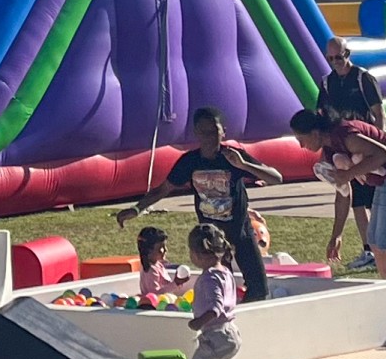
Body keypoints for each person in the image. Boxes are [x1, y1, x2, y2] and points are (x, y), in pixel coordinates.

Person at [115, 108, 280, 301]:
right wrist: (136, 209)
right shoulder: (190, 162)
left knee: (258, 287)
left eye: (214, 131)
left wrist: (244, 165)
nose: (209, 137)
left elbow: (276, 178)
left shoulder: (233, 157)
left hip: (240, 232)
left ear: (223, 131)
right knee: (218, 286)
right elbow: (164, 189)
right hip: (211, 237)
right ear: (196, 133)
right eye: (203, 132)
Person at [291, 105, 386, 281]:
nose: (301, 146)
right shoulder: (330, 148)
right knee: (374, 241)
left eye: (302, 139)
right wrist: (336, 235)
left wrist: (348, 173)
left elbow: (382, 153)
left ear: (315, 133)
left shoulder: (346, 135)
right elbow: (343, 193)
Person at [318, 38, 386, 271]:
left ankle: (381, 248)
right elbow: (322, 114)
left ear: (348, 53)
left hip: (364, 145)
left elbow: (379, 113)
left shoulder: (363, 78)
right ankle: (370, 249)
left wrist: (379, 141)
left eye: (339, 56)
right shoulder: (327, 83)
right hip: (343, 146)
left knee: (374, 196)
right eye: (331, 58)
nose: (336, 62)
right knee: (357, 198)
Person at [176, 223, 244, 359]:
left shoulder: (209, 278)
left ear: (198, 254)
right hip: (231, 333)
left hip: (216, 334)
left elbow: (215, 308)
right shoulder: (225, 273)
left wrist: (198, 322)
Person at [136, 224, 190, 299]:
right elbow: (155, 295)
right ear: (148, 251)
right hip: (153, 306)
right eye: (161, 248)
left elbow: (165, 283)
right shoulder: (151, 271)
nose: (165, 250)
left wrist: (177, 281)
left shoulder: (157, 264)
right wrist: (175, 283)